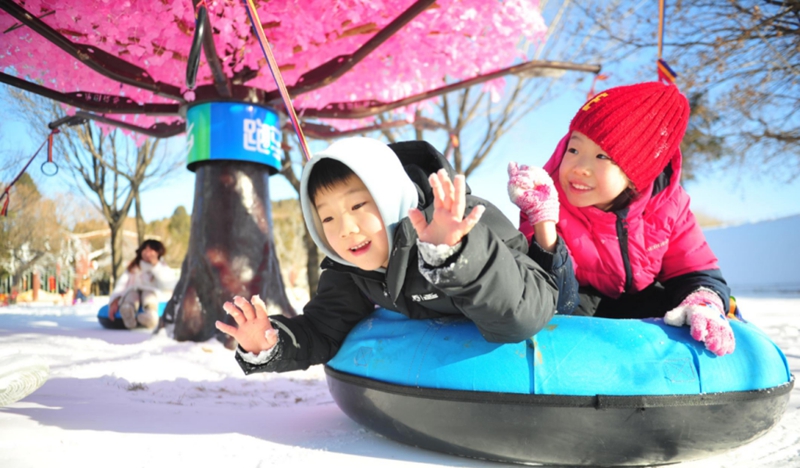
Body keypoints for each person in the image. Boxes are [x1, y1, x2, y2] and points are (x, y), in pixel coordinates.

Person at [215, 137, 558, 374]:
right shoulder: (350, 267)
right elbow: (324, 328)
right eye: (328, 218)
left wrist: (453, 254)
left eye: (358, 205)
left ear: (390, 196)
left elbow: (525, 315)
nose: (345, 228)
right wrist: (269, 342)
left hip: (563, 307)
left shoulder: (461, 219)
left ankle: (543, 217)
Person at [507, 81, 736, 356]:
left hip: (643, 302)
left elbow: (695, 270)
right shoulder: (545, 198)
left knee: (685, 307)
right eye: (574, 149)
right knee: (563, 316)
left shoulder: (668, 205)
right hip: (576, 301)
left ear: (635, 172)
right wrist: (544, 224)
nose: (580, 168)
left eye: (602, 156)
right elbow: (550, 297)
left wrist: (704, 301)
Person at [108, 239, 175, 329]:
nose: (147, 252)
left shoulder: (162, 267)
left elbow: (169, 283)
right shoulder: (133, 267)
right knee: (132, 294)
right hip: (133, 293)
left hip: (152, 295)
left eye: (151, 250)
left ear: (158, 252)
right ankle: (127, 310)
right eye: (145, 249)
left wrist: (156, 266)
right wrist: (115, 299)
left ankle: (150, 315)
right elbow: (122, 284)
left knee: (149, 295)